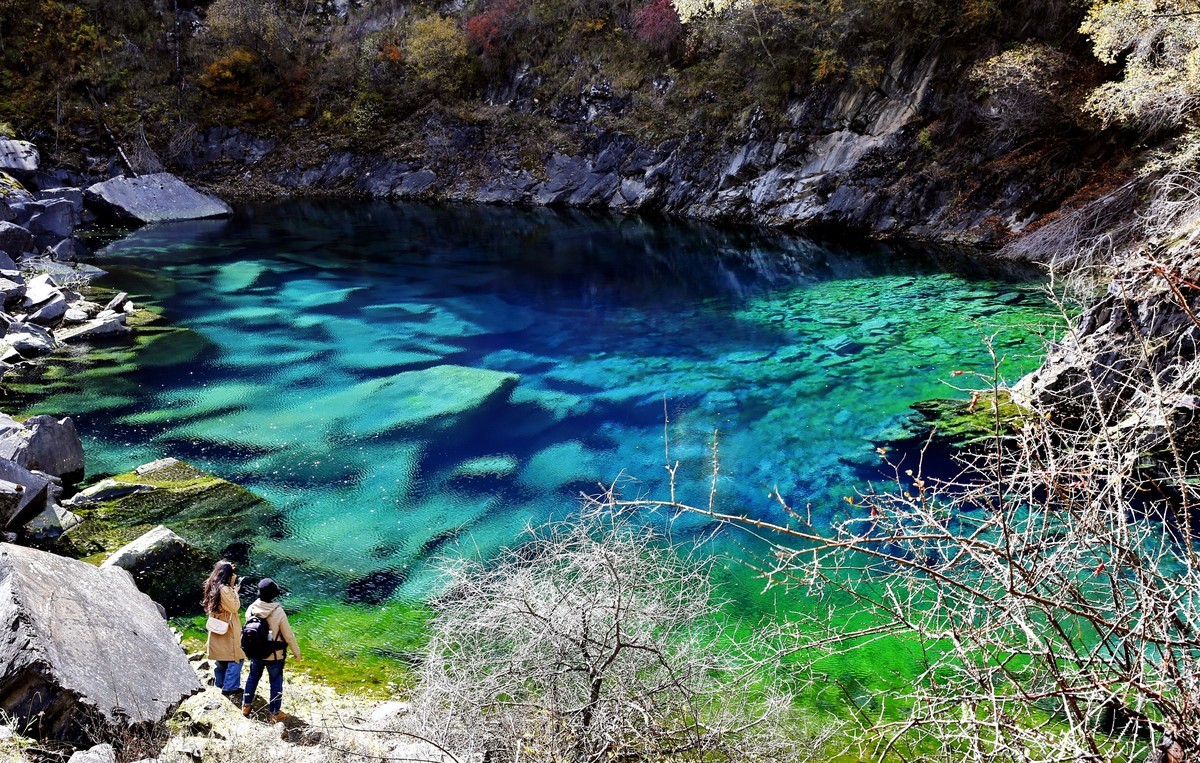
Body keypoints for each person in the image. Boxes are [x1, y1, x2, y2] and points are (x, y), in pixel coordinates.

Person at [241, 577, 302, 721]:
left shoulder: (251, 609)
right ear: (273, 596)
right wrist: (297, 653)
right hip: (275, 656)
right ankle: (274, 713)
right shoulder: (278, 612)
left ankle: (246, 705)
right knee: (275, 682)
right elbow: (289, 636)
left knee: (253, 677)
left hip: (255, 653)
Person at [202, 560, 245, 696]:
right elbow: (234, 607)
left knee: (220, 657)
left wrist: (231, 586)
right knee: (236, 657)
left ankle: (220, 683)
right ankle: (230, 687)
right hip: (228, 627)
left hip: (217, 625)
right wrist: (235, 592)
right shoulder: (225, 590)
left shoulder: (212, 584)